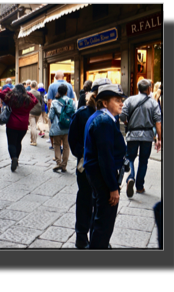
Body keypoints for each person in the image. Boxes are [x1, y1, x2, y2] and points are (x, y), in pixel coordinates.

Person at [83, 84, 127, 248]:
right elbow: (105, 157)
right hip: (102, 176)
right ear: (104, 103)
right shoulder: (104, 121)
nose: (121, 103)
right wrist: (113, 187)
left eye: (121, 100)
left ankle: (97, 244)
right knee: (105, 220)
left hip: (97, 174)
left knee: (99, 214)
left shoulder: (103, 118)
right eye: (117, 100)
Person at [120, 79, 161, 198]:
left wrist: (127, 122)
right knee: (143, 161)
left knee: (130, 158)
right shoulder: (153, 103)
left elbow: (122, 115)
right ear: (148, 89)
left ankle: (130, 177)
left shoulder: (129, 100)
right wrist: (159, 139)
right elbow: (158, 122)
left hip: (132, 134)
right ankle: (139, 187)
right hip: (147, 136)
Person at [68, 86, 97, 249]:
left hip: (93, 164)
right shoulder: (82, 114)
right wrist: (82, 152)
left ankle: (90, 236)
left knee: (92, 200)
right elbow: (73, 139)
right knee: (88, 199)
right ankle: (83, 236)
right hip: (87, 164)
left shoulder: (110, 115)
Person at [0, 84, 38, 171]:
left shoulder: (12, 98)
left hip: (12, 124)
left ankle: (14, 158)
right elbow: (35, 100)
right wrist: (28, 93)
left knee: (11, 143)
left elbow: (1, 94)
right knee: (18, 142)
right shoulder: (28, 100)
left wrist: (9, 89)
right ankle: (17, 158)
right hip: (23, 126)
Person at [48, 84, 74, 172]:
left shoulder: (54, 102)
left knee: (56, 145)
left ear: (58, 92)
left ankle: (58, 163)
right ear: (66, 92)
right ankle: (64, 165)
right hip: (68, 128)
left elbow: (51, 116)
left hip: (57, 127)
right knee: (66, 146)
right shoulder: (71, 102)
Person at [47, 70, 75, 149]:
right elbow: (73, 99)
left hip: (56, 112)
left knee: (54, 129)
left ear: (55, 77)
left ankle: (55, 145)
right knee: (66, 129)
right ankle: (64, 145)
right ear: (63, 77)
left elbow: (49, 101)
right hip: (67, 113)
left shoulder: (52, 86)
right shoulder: (69, 85)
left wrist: (50, 111)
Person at [28, 81, 42, 146]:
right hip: (38, 111)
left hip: (31, 110)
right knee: (33, 125)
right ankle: (31, 139)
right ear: (36, 86)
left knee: (33, 126)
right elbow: (41, 101)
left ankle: (34, 141)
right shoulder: (38, 93)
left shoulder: (28, 93)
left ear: (30, 86)